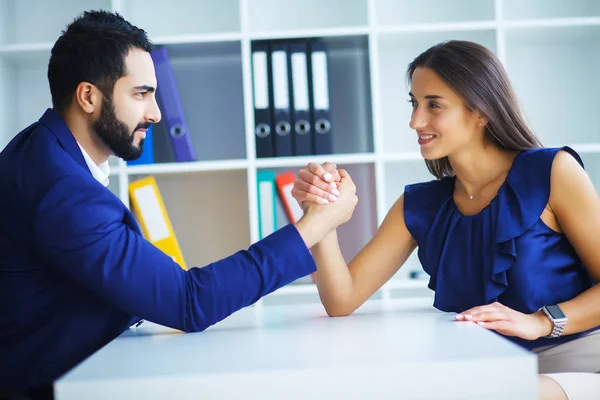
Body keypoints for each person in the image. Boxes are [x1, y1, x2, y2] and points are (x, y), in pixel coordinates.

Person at [0, 10, 358, 397]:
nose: (155, 113)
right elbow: (190, 303)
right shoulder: (63, 191)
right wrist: (316, 225)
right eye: (141, 94)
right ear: (88, 96)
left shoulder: (41, 150)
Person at [293, 40, 600, 400]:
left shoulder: (551, 172)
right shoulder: (420, 205)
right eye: (414, 103)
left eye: (433, 105)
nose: (415, 121)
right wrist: (320, 217)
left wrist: (540, 322)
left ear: (481, 111)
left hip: (578, 359)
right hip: (491, 373)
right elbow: (341, 300)